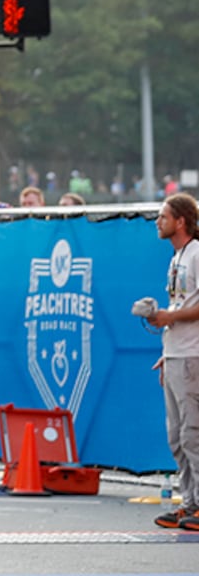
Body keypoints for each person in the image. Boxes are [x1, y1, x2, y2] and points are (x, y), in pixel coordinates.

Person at [142, 193, 199, 531]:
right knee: (176, 435)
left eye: (163, 216)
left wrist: (169, 317)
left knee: (193, 433)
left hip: (193, 354)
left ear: (180, 221)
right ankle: (189, 502)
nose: (158, 222)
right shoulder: (178, 257)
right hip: (177, 352)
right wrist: (167, 350)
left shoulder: (196, 254)